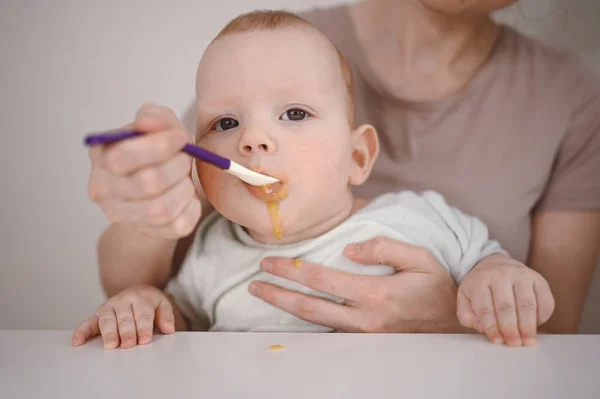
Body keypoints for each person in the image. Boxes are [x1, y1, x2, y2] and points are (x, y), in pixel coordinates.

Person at [85, 0, 600, 342]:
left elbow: (491, 268)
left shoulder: (414, 220)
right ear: (200, 168)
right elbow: (176, 326)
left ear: (358, 158)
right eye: (225, 122)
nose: (252, 139)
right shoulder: (208, 257)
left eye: (294, 115)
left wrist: (498, 280)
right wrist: (143, 304)